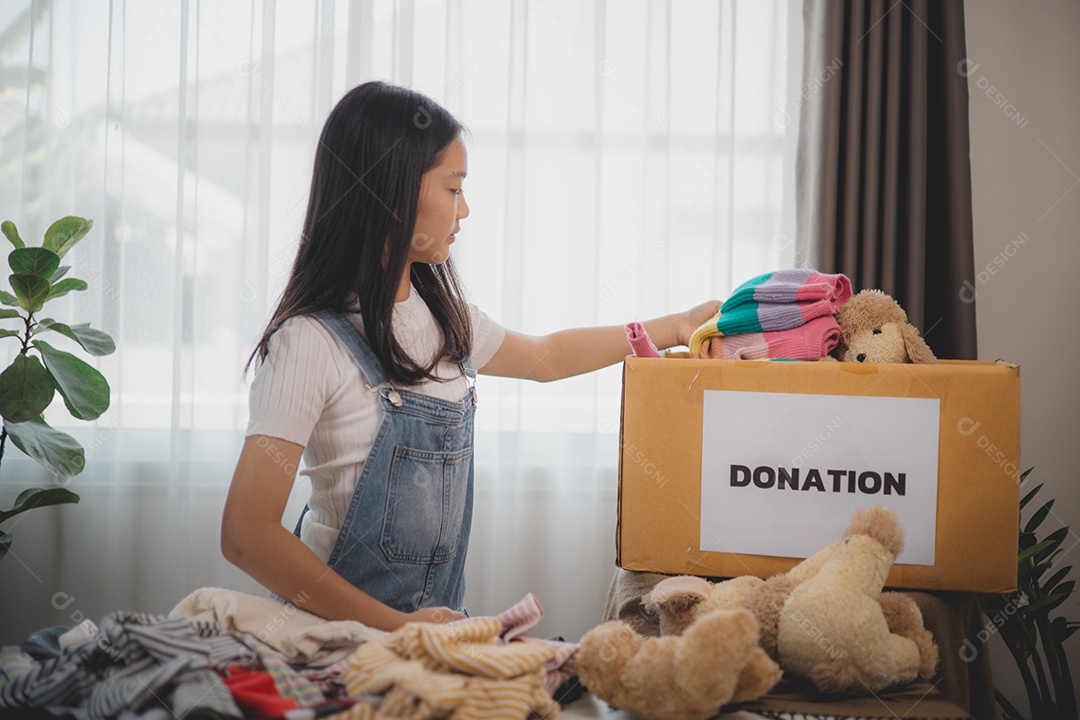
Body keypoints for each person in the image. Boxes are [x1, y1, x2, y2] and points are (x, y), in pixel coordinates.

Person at [221, 81, 718, 631]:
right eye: (454, 188)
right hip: (334, 643)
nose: (466, 209)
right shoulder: (308, 341)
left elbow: (548, 357)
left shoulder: (446, 319)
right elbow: (247, 534)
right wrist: (398, 628)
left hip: (429, 636)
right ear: (392, 193)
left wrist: (673, 326)